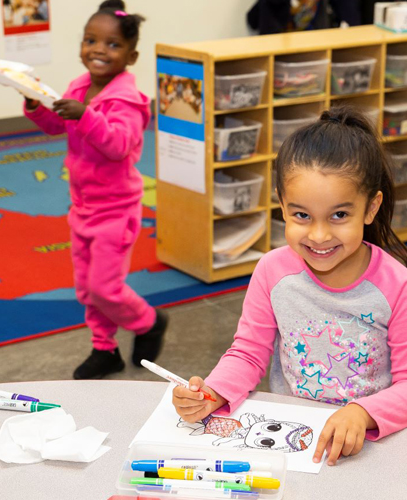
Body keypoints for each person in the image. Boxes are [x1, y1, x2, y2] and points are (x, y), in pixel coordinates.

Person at [173, 106, 407, 466]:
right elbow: (248, 353)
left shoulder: (397, 284)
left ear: (371, 208)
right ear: (282, 205)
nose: (319, 235)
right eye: (301, 216)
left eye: (339, 216)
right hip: (293, 440)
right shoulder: (272, 270)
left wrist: (362, 413)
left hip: (372, 445)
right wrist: (213, 391)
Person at [22, 0, 168, 379]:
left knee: (105, 287)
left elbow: (119, 144)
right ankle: (105, 349)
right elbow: (58, 125)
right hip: (82, 207)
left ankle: (149, 322)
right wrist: (36, 107)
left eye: (112, 44)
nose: (99, 50)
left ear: (131, 56)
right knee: (86, 290)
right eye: (91, 40)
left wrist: (85, 115)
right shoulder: (79, 86)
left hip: (116, 210)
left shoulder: (129, 102)